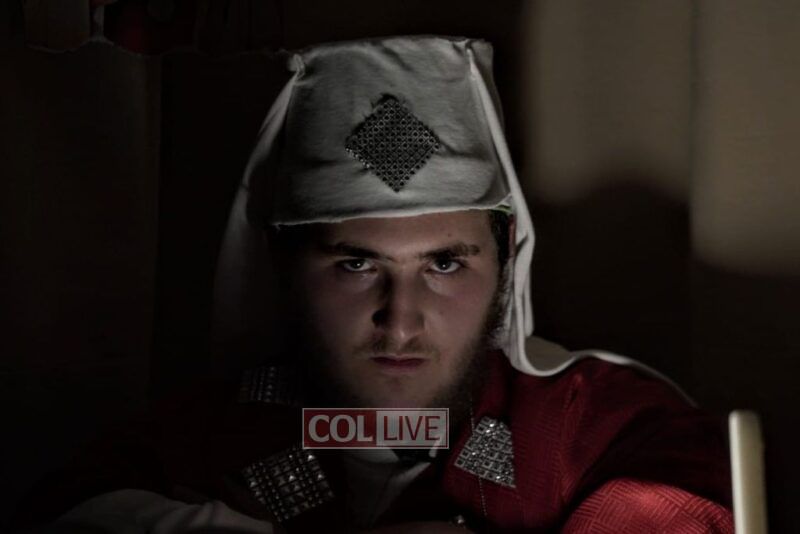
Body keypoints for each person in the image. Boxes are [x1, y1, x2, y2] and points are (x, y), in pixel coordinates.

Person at [12, 35, 733, 533]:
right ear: (284, 269)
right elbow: (65, 507)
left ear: (505, 262)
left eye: (444, 264)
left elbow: (689, 491)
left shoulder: (588, 420)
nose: (401, 320)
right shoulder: (205, 430)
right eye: (355, 265)